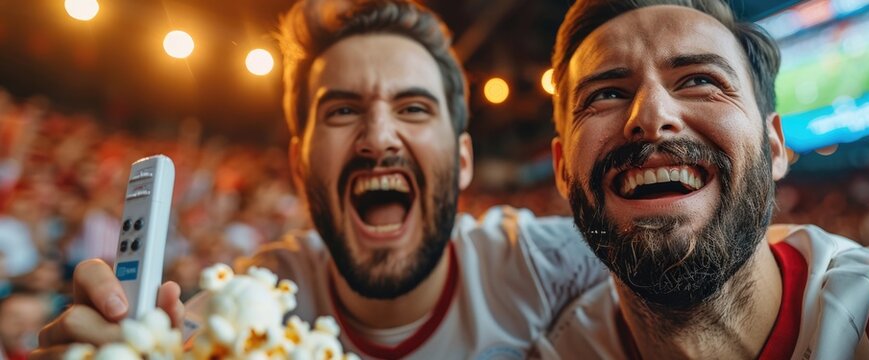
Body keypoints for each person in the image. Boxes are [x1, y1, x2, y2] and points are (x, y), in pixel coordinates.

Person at [30, 0, 605, 359]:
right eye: (342, 110)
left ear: (461, 161)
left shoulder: (550, 268)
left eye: (413, 109)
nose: (378, 138)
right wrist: (118, 347)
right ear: (301, 162)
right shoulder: (251, 305)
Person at [537, 0, 869, 358]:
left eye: (701, 80)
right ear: (562, 168)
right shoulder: (551, 345)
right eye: (606, 94)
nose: (652, 117)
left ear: (774, 145)